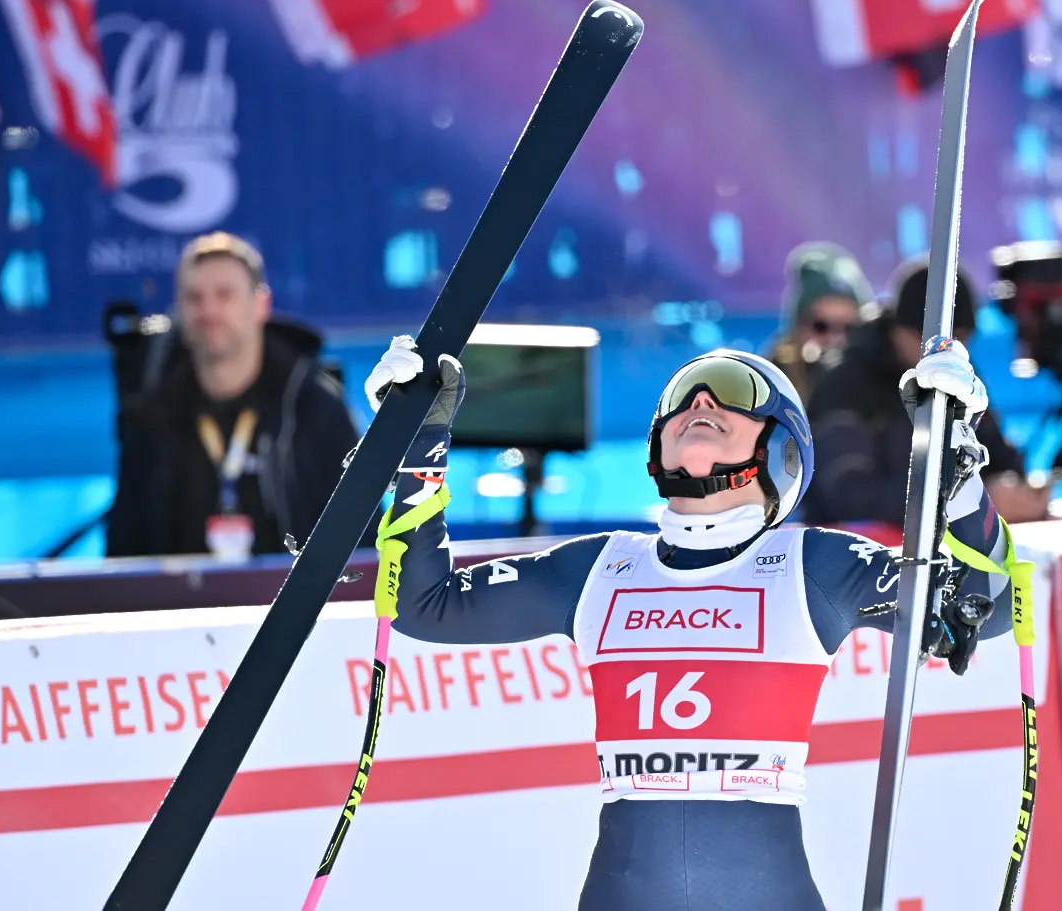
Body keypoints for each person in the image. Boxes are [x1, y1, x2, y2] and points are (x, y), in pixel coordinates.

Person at [364, 333, 1026, 910]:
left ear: (783, 447)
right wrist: (416, 444)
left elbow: (980, 608)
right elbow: (426, 605)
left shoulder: (815, 561)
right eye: (682, 397)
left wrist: (954, 451)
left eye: (732, 391)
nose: (699, 403)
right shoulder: (599, 566)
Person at [106, 232, 362, 558]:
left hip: (298, 607)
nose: (209, 311)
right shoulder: (151, 420)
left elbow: (364, 544)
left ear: (261, 304)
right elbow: (124, 557)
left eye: (224, 295)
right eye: (194, 298)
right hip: (182, 608)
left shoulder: (315, 408)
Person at [803, 259, 1051, 526]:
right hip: (855, 558)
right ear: (900, 330)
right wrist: (963, 502)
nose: (948, 352)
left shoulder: (958, 373)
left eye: (960, 340)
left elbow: (996, 454)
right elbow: (849, 496)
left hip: (941, 548)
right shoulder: (845, 383)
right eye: (938, 342)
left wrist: (1022, 490)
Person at [764, 241, 878, 402]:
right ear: (798, 327)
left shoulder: (888, 386)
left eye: (850, 328)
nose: (836, 339)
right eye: (821, 326)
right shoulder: (768, 387)